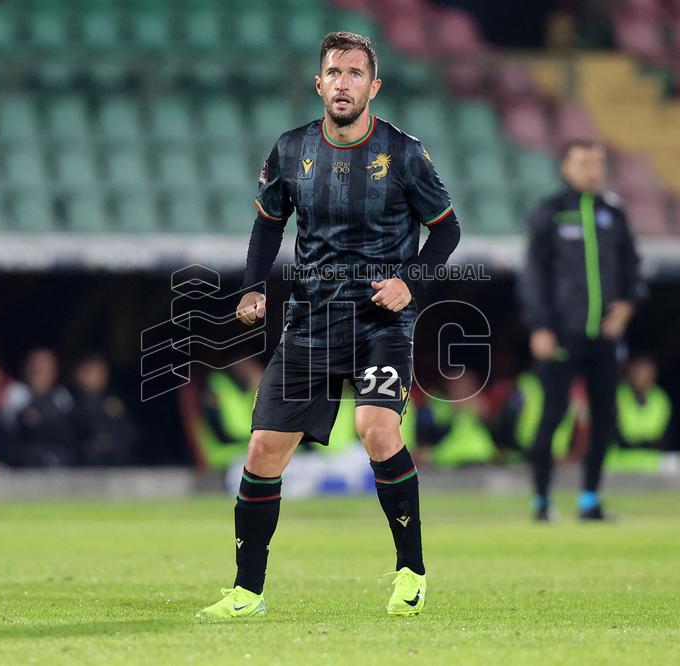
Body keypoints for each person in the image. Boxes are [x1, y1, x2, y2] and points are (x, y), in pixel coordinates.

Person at [197, 32, 460, 620]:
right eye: (334, 73)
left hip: (380, 321)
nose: (343, 83)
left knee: (375, 428)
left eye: (355, 73)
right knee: (263, 450)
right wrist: (253, 286)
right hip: (311, 323)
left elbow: (447, 231)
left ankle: (411, 572)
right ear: (319, 84)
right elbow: (268, 226)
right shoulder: (291, 150)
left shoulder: (405, 153)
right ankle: (246, 592)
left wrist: (410, 282)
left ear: (374, 86)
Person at [518, 139, 644, 521]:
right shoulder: (551, 212)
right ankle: (541, 500)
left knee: (603, 419)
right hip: (560, 333)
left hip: (604, 337)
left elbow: (632, 268)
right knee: (552, 416)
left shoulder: (613, 213)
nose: (593, 170)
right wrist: (539, 325)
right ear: (566, 168)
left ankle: (590, 499)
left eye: (598, 163)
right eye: (584, 163)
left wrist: (626, 305)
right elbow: (534, 273)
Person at [1, 348, 76, 467]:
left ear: (54, 372)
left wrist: (40, 421)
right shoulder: (15, 392)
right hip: (24, 460)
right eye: (35, 369)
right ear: (26, 369)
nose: (38, 372)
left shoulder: (62, 395)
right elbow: (12, 428)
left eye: (43, 369)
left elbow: (67, 431)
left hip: (57, 457)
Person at [604, 355, 673, 472]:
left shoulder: (661, 398)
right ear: (628, 373)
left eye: (645, 373)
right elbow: (618, 437)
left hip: (652, 464)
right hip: (618, 465)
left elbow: (661, 438)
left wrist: (636, 438)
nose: (640, 378)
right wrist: (646, 439)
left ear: (654, 375)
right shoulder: (616, 396)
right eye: (637, 372)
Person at [72, 353, 136, 466]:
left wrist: (109, 441)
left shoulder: (113, 403)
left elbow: (127, 432)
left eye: (99, 373)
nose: (94, 377)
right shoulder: (69, 403)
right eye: (89, 372)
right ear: (78, 374)